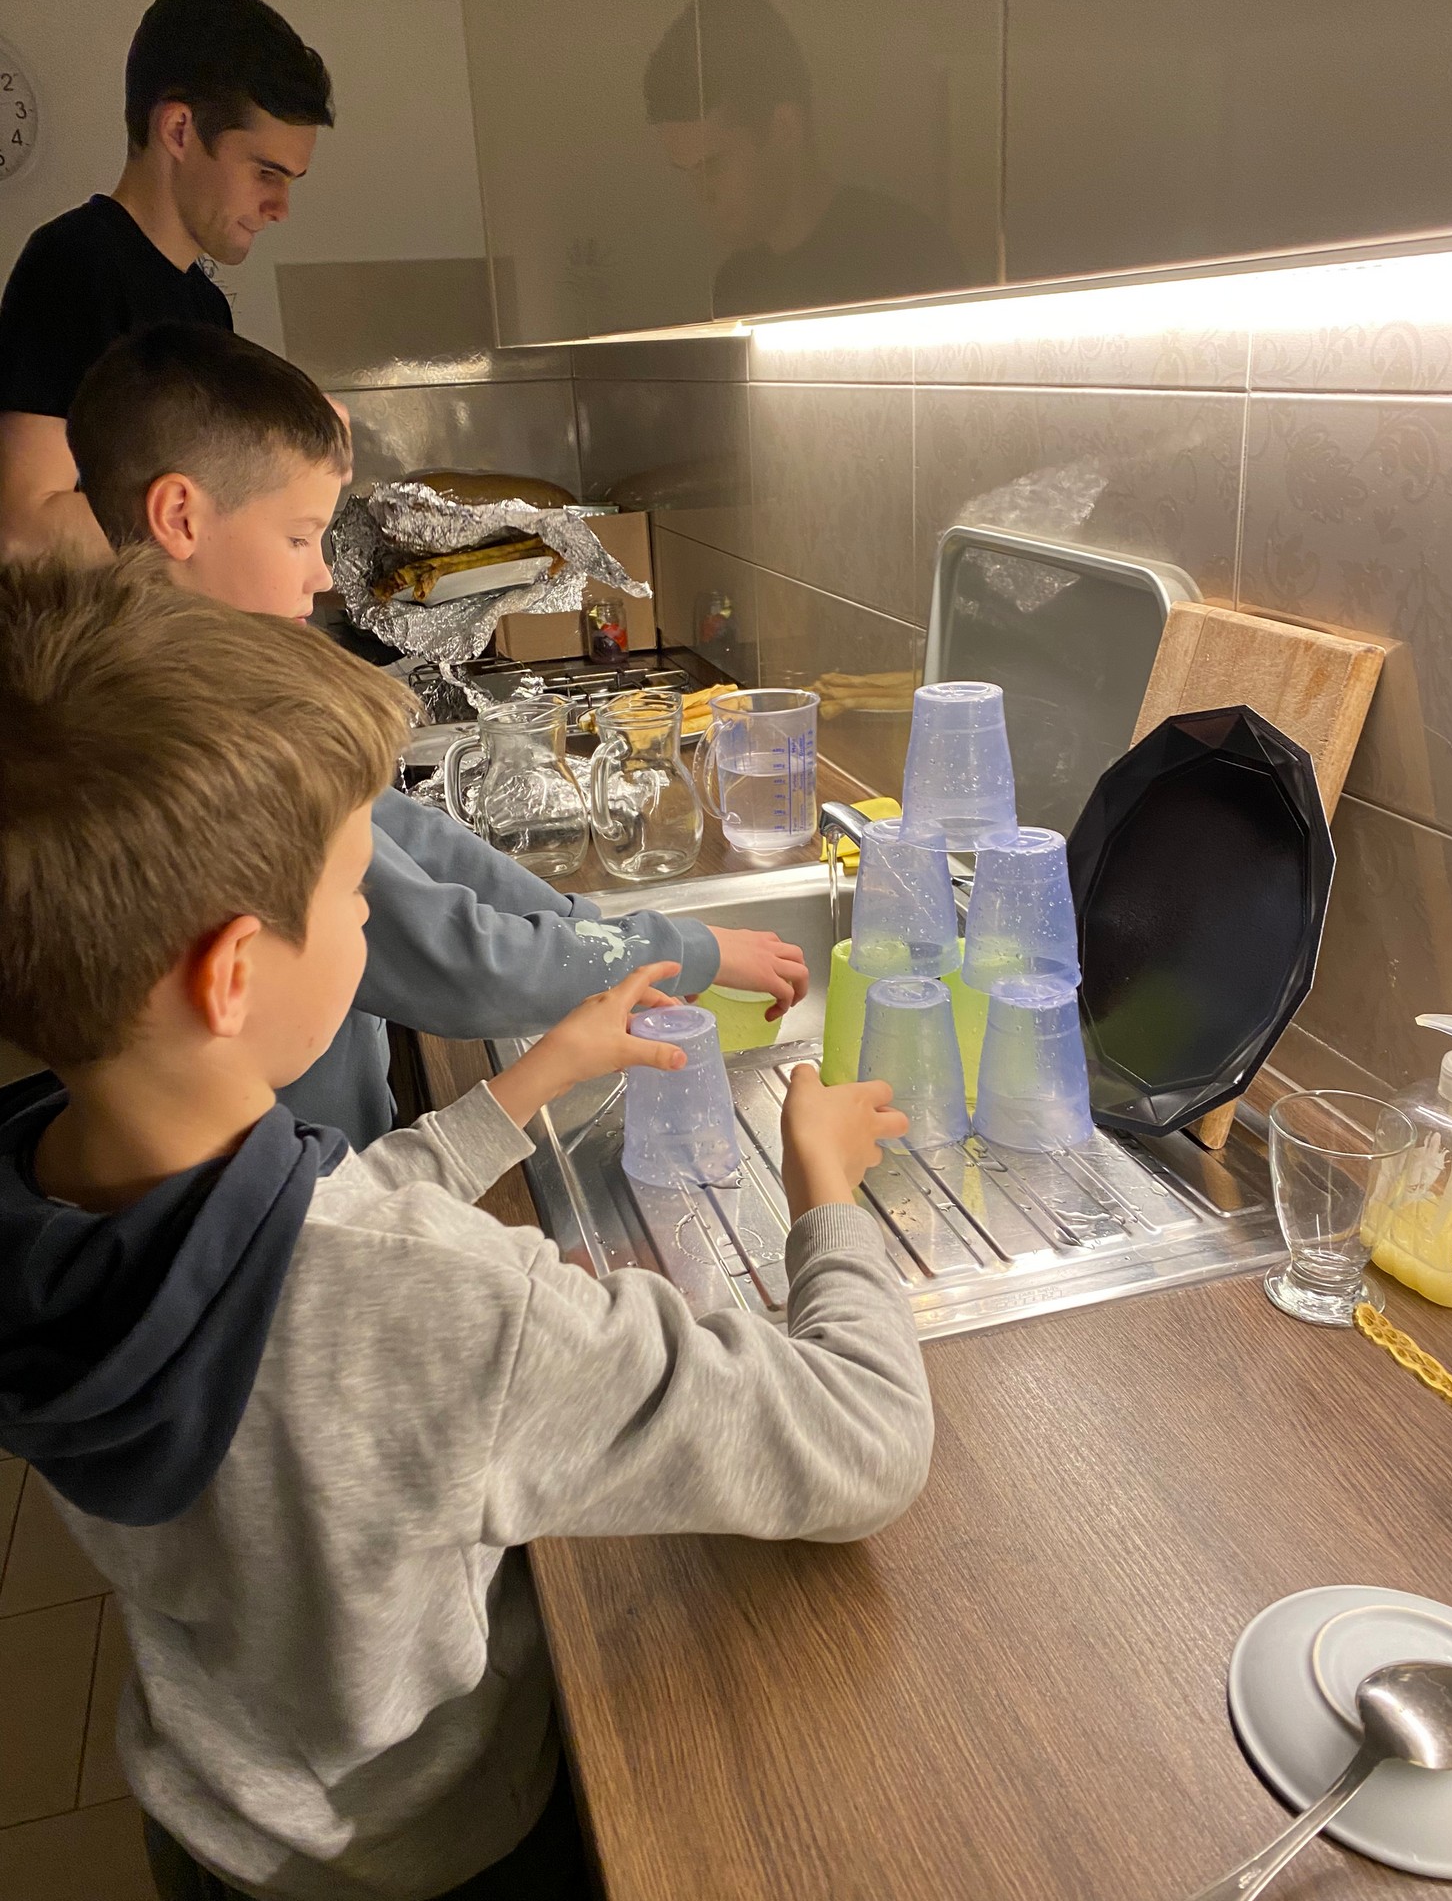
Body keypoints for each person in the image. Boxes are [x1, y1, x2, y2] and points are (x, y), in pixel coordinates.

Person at [0, 556, 930, 1901]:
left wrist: (526, 1086)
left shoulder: (48, 1201)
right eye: (353, 892)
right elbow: (861, 1443)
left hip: (215, 1834)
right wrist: (826, 1191)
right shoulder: (442, 1310)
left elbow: (291, 1236)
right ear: (233, 974)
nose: (370, 914)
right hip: (437, 1854)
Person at [67, 321, 811, 1146]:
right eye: (298, 537)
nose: (321, 574)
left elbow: (407, 834)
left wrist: (589, 932)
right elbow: (455, 962)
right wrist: (681, 950)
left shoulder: (197, 687)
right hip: (289, 1183)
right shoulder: (210, 741)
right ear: (179, 515)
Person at [0, 0, 332, 567]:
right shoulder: (73, 265)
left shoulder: (206, 307)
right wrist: (232, 518)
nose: (280, 208)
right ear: (179, 130)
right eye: (265, 173)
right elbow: (24, 529)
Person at [644, 0, 966, 319]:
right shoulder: (736, 286)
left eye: (713, 164)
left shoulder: (909, 255)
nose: (703, 194)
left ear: (785, 127)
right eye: (688, 171)